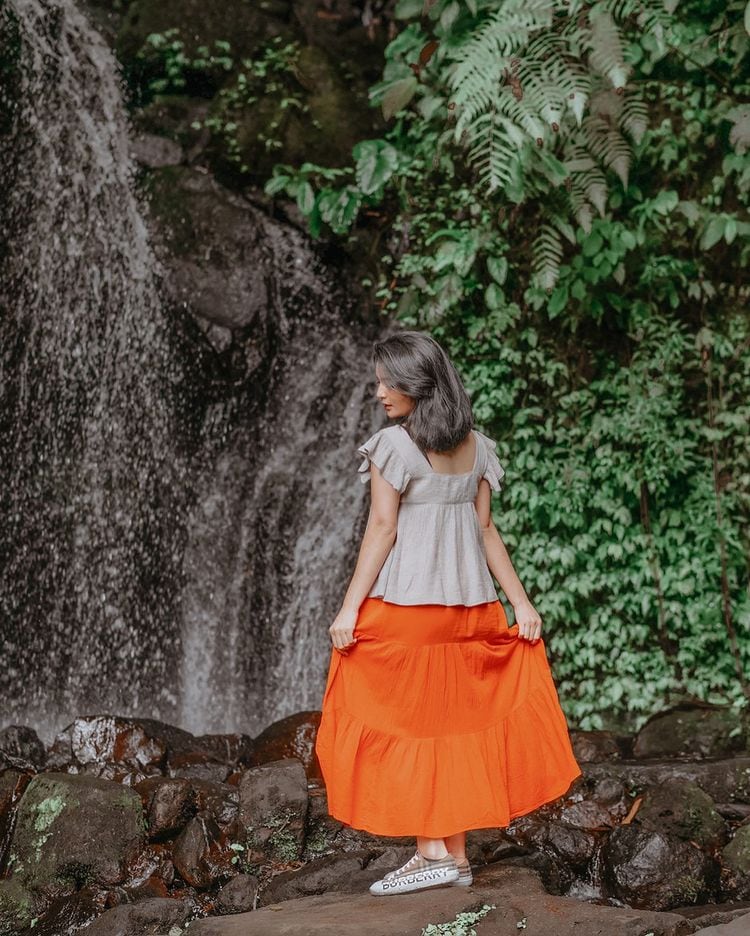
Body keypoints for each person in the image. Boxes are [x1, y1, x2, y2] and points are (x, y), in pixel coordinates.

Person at [314, 330, 582, 896]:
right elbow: (487, 531)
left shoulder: (392, 446)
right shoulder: (478, 446)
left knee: (402, 724)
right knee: (453, 731)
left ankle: (428, 851)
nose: (380, 390)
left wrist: (348, 609)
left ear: (417, 383)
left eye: (389, 381)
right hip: (473, 611)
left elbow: (382, 531)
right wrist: (521, 603)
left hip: (409, 612)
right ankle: (453, 858)